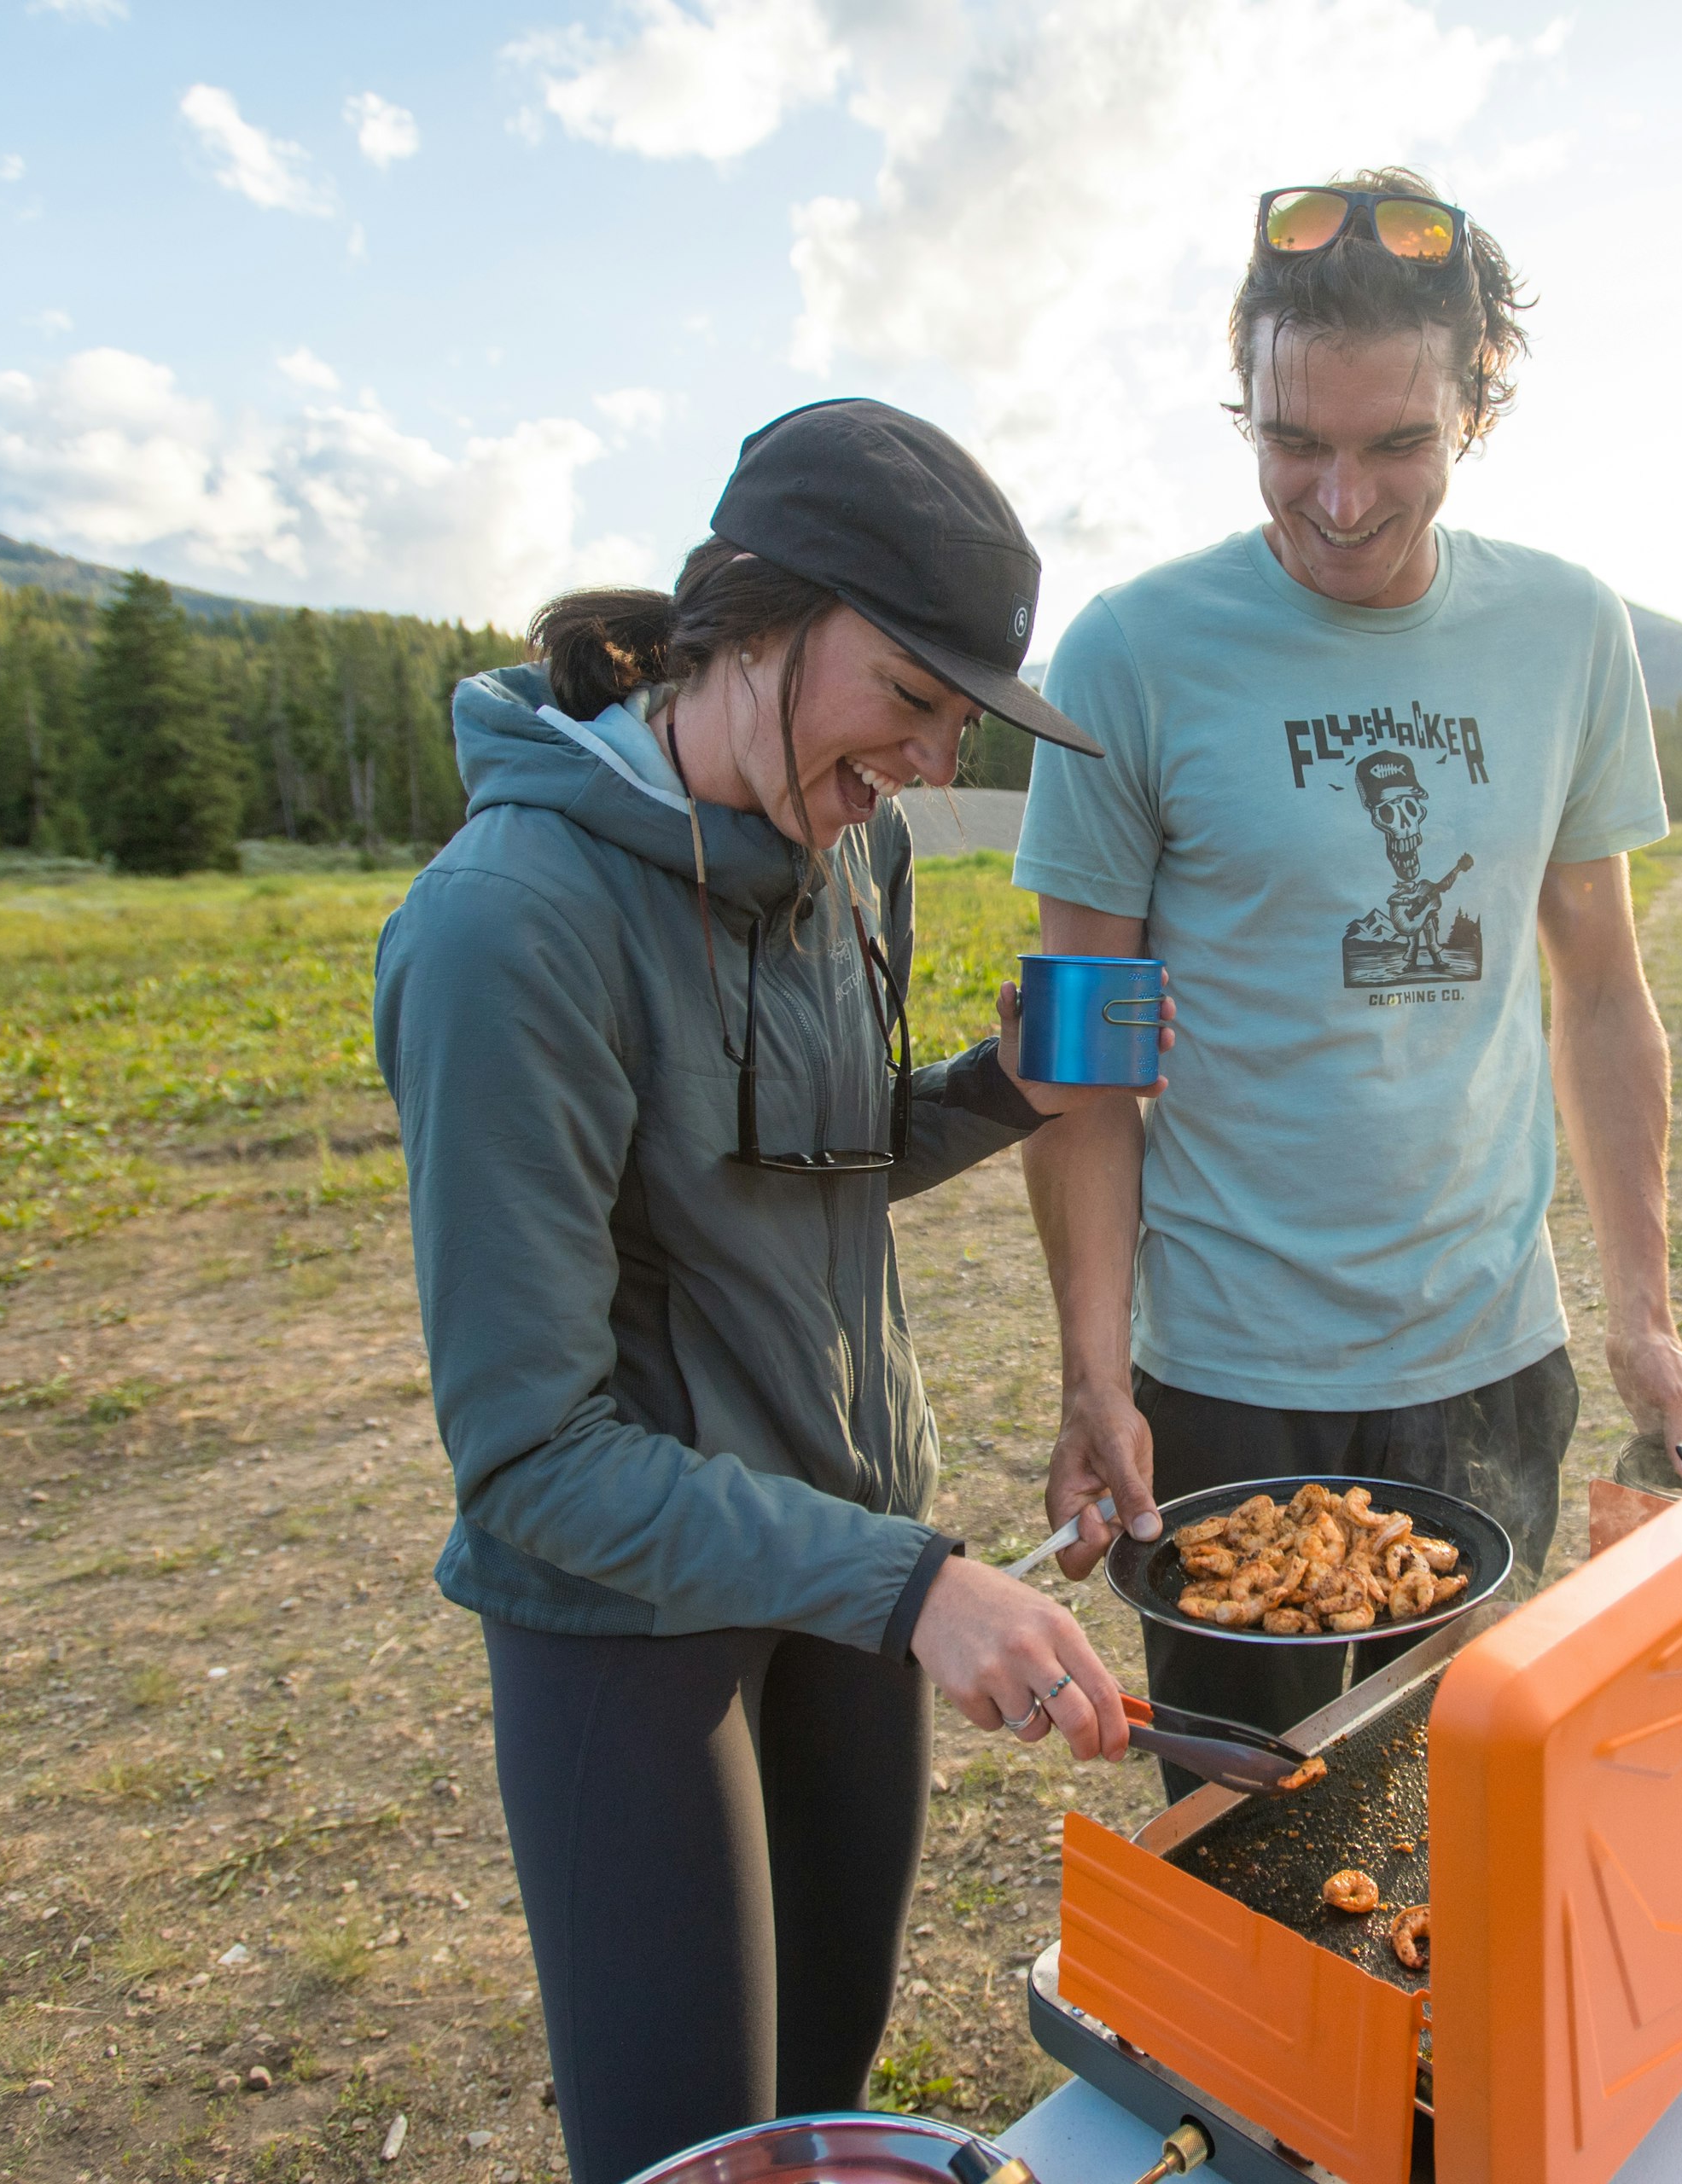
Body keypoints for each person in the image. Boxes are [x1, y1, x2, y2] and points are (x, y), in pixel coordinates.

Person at [375, 399, 1158, 2184]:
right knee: (697, 2155)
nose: (928, 754)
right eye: (909, 692)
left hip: (850, 1582)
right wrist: (915, 1583)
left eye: (962, 717)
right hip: (630, 1638)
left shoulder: (849, 849)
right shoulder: (507, 928)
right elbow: (532, 1458)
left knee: (817, 2106)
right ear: (756, 618)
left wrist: (1004, 1083)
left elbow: (807, 1161)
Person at [1015, 171, 1682, 1780]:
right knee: (1252, 1834)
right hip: (1226, 1381)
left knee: (1481, 1808)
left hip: (1487, 1353)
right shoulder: (1134, 652)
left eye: (1395, 445)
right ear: (1243, 401)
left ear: (1478, 404)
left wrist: (1643, 1310)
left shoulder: (1565, 633)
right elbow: (1083, 1047)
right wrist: (1091, 1376)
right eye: (1292, 444)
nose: (1338, 499)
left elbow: (1600, 988)